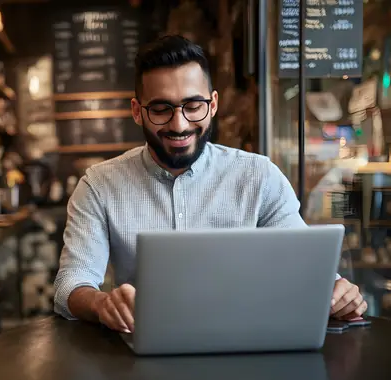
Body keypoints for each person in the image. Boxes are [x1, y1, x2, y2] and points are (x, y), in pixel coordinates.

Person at [53, 35, 366, 333]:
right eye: (161, 110)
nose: (179, 125)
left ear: (213, 104)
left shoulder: (259, 176)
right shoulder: (99, 184)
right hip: (142, 347)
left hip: (247, 344)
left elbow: (305, 267)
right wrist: (102, 303)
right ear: (137, 111)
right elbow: (71, 283)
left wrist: (337, 291)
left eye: (193, 107)